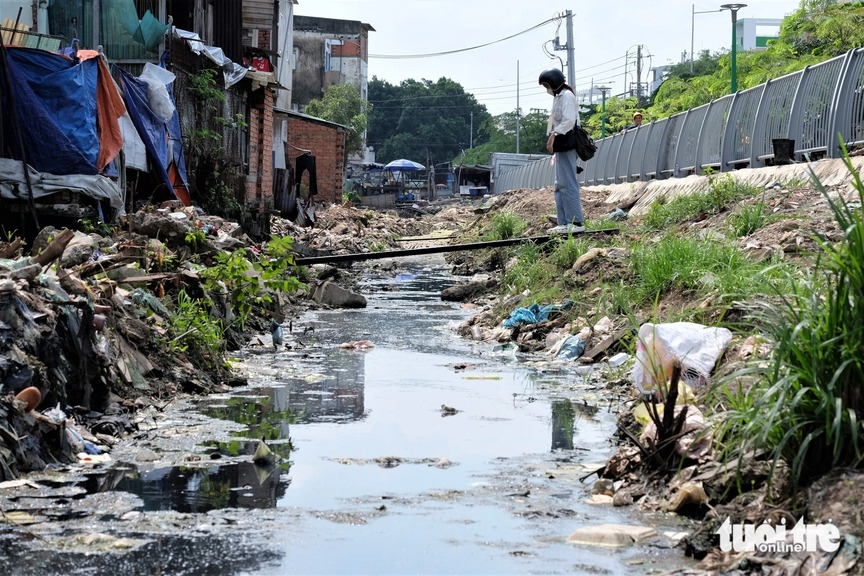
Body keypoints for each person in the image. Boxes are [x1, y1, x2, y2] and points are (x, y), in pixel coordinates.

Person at [539, 68, 585, 234]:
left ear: (554, 82)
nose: (547, 89)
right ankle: (564, 222)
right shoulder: (559, 97)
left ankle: (576, 222)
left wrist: (554, 134)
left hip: (566, 142)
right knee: (560, 184)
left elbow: (568, 121)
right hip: (560, 144)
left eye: (546, 85)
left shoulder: (567, 96)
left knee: (568, 183)